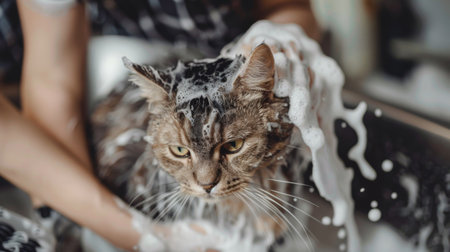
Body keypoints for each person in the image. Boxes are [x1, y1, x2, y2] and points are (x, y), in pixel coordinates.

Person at [0, 0, 319, 250]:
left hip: (234, 69)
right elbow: (51, 84)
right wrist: (126, 233)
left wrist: (278, 45)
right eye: (181, 151)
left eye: (232, 147)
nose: (205, 180)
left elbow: (290, 7)